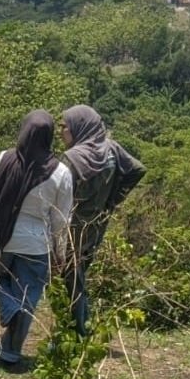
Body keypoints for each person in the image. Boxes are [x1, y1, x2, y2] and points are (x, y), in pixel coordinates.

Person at [0, 110, 74, 371]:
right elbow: (61, 219)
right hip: (35, 243)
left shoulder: (4, 159)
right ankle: (10, 353)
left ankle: (8, 307)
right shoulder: (61, 172)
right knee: (27, 297)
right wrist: (58, 252)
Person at [59, 104, 145, 335]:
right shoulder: (111, 150)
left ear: (79, 127)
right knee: (77, 274)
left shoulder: (72, 159)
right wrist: (113, 200)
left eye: (64, 126)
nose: (60, 132)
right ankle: (77, 326)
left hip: (72, 226)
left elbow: (61, 195)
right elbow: (137, 169)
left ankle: (80, 329)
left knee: (70, 277)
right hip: (97, 223)